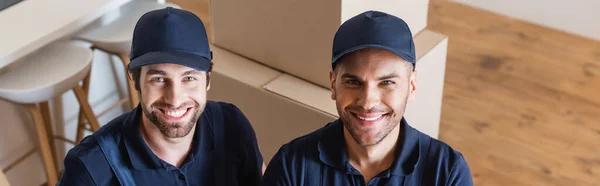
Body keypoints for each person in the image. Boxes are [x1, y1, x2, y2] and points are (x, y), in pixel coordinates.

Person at [261, 11, 473, 186]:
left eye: (386, 82)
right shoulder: (293, 166)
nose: (368, 102)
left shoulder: (447, 173)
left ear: (412, 85)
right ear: (333, 84)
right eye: (353, 82)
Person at [58, 7, 263, 186]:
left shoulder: (232, 126)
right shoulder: (91, 169)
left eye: (189, 78)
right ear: (134, 79)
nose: (174, 99)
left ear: (208, 79)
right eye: (159, 79)